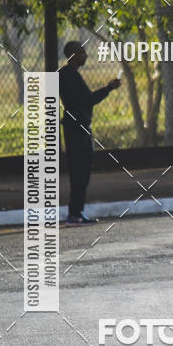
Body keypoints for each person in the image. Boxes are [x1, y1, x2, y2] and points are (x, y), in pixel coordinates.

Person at [58, 40, 121, 226]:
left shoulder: (68, 75)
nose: (85, 56)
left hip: (78, 128)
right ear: (73, 54)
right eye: (82, 52)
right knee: (80, 171)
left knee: (82, 171)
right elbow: (88, 99)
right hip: (76, 129)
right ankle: (75, 213)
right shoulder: (69, 76)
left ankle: (77, 212)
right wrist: (109, 88)